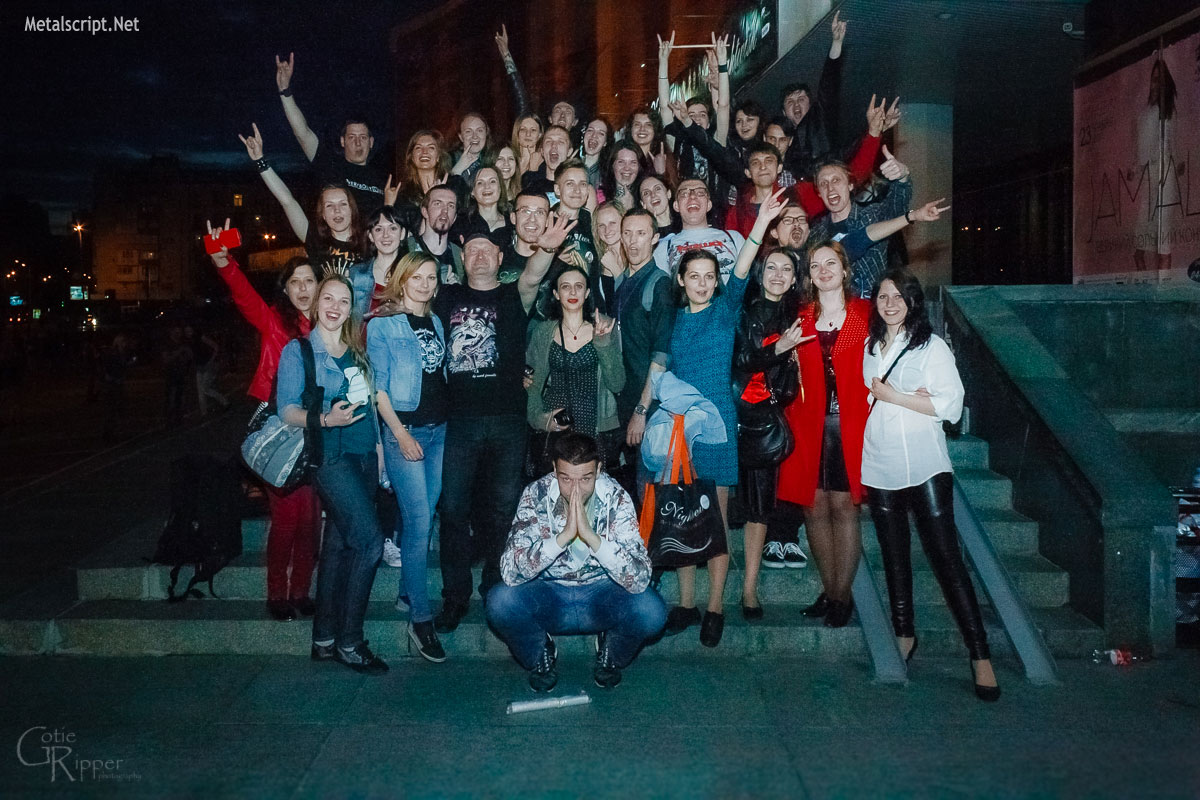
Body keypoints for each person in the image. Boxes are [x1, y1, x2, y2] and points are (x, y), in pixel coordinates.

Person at [431, 216, 576, 633]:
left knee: (503, 510)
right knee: (453, 510)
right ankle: (455, 597)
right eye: (471, 250)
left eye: (487, 250)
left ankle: (495, 587)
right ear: (463, 259)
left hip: (508, 422)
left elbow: (532, 276)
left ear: (499, 258)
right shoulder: (447, 296)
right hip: (459, 422)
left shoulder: (514, 295)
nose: (479, 256)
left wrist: (545, 248)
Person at [862, 268, 1000, 701]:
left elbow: (951, 405)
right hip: (880, 460)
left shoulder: (931, 346)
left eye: (898, 296)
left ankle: (979, 652)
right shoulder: (870, 346)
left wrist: (900, 397)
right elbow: (870, 395)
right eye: (883, 297)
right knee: (894, 556)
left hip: (924, 463)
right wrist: (909, 399)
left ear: (912, 302)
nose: (890, 304)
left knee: (946, 558)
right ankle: (904, 634)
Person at [660, 188, 787, 647]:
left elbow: (744, 266)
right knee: (683, 516)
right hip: (680, 429)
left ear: (717, 281)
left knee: (714, 519)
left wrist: (760, 223)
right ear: (681, 280)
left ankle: (714, 606)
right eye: (693, 276)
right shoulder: (672, 321)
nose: (702, 283)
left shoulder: (725, 310)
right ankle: (686, 603)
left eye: (709, 276)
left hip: (717, 428)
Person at [486, 432, 666, 691]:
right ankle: (540, 653)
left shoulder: (615, 497)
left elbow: (640, 577)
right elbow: (510, 572)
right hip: (549, 594)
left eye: (585, 478)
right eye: (566, 479)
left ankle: (611, 652)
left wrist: (593, 539)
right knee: (500, 601)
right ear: (554, 469)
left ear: (599, 470)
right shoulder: (536, 494)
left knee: (652, 610)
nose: (576, 489)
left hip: (602, 595)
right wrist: (561, 539)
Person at [207, 221, 321, 621]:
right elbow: (244, 297)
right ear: (285, 289)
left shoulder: (330, 324)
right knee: (287, 516)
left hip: (317, 429)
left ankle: (301, 592)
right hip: (277, 427)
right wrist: (223, 261)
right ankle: (277, 594)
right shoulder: (274, 320)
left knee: (311, 519)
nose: (303, 288)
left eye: (309, 280)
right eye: (295, 282)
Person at [277, 275, 386, 674]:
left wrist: (379, 452)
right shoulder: (299, 351)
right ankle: (351, 643)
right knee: (370, 542)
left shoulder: (357, 350)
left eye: (343, 300)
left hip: (364, 457)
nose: (335, 307)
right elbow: (286, 409)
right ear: (316, 303)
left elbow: (369, 407)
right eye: (328, 298)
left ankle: (324, 639)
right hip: (331, 458)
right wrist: (326, 419)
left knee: (339, 547)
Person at [776, 241, 871, 628]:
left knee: (845, 508)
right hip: (808, 424)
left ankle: (841, 597)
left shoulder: (865, 313)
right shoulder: (800, 317)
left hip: (852, 424)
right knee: (813, 508)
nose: (824, 270)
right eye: (816, 265)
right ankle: (831, 591)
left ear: (845, 270)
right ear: (809, 275)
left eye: (831, 263)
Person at [368, 253, 448, 663]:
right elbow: (377, 389)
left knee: (426, 517)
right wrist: (399, 435)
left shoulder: (435, 322)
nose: (424, 284)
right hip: (407, 432)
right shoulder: (382, 325)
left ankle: (406, 594)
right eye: (416, 277)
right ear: (401, 280)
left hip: (439, 432)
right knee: (418, 523)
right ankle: (420, 619)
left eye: (431, 277)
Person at [733, 247, 812, 616]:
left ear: (795, 279)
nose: (778, 275)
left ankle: (749, 590)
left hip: (767, 420)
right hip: (734, 414)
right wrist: (778, 348)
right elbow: (740, 361)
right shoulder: (744, 312)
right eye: (771, 268)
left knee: (759, 509)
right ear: (759, 274)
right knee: (728, 503)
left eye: (786, 270)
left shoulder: (797, 317)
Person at [525, 262, 625, 476]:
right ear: (556, 294)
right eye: (565, 287)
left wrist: (603, 344)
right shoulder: (543, 331)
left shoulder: (605, 326)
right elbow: (532, 384)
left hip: (594, 424)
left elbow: (617, 383)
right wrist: (541, 420)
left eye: (579, 286)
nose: (572, 292)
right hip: (557, 424)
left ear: (587, 293)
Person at [237, 123, 367, 281]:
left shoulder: (369, 239)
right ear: (323, 214)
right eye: (329, 205)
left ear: (352, 208)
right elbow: (287, 200)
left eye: (343, 204)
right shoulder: (314, 239)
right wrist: (260, 160)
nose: (337, 210)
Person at [274, 53, 389, 213]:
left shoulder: (382, 180)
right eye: (351, 137)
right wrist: (285, 91)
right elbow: (303, 133)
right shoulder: (331, 165)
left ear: (371, 142)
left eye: (363, 137)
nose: (357, 142)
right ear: (342, 141)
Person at [611, 208, 674, 501]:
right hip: (625, 400)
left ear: (655, 238)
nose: (633, 241)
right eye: (627, 233)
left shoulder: (660, 285)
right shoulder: (622, 282)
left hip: (650, 405)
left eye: (641, 233)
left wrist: (641, 410)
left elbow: (661, 355)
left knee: (652, 491)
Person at [810, 146, 914, 298]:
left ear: (850, 185)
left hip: (871, 307)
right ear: (819, 193)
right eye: (823, 183)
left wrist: (903, 177)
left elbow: (896, 206)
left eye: (836, 180)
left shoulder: (872, 215)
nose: (830, 188)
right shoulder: (816, 234)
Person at [652, 177, 744, 282]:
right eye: (684, 194)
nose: (692, 196)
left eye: (700, 193)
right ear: (676, 206)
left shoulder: (734, 238)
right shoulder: (663, 247)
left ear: (709, 204)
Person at [406, 185, 463, 286]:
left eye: (451, 206)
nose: (445, 210)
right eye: (437, 204)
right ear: (425, 211)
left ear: (454, 217)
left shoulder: (460, 256)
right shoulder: (406, 248)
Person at [363, 205, 407, 315]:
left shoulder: (413, 274)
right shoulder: (357, 274)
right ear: (370, 236)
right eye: (378, 229)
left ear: (402, 233)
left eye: (393, 228)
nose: (385, 235)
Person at [452, 165, 513, 245]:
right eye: (480, 183)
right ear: (472, 191)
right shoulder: (461, 223)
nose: (487, 186)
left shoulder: (512, 223)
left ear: (500, 188)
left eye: (492, 181)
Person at [520, 125, 572, 202]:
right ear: (542, 151)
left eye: (560, 142)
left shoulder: (575, 186)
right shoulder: (530, 183)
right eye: (548, 141)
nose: (554, 145)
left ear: (569, 151)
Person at [188, 324, 229, 416]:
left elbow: (215, 347)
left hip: (207, 366)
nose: (188, 333)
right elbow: (192, 355)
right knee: (201, 391)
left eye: (190, 331)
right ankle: (204, 413)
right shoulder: (189, 341)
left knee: (205, 388)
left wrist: (211, 360)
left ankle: (224, 401)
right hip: (199, 367)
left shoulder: (200, 337)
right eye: (186, 331)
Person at [449, 112, 492, 184]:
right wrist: (457, 170)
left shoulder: (494, 160)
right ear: (461, 137)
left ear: (486, 134)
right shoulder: (448, 160)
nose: (475, 136)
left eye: (480, 130)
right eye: (468, 131)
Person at [600, 144, 644, 210]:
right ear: (612, 165)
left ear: (639, 167)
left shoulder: (645, 195)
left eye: (633, 162)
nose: (627, 168)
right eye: (621, 162)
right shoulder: (599, 196)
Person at [580, 117, 610, 187]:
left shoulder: (609, 174)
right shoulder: (570, 165)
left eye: (601, 133)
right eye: (590, 130)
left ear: (605, 142)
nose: (594, 135)